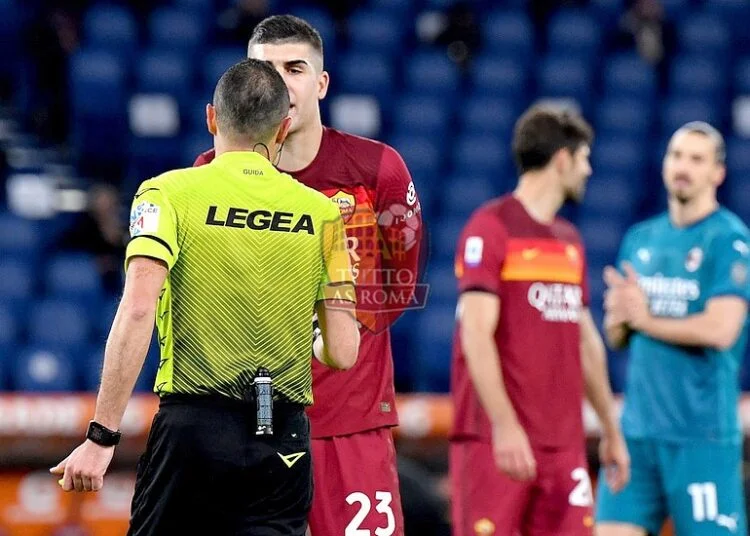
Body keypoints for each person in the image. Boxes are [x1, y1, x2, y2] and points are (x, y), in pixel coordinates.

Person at [49, 58, 360, 536]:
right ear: (283, 127)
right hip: (283, 436)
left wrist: (102, 435)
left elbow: (137, 309)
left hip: (195, 429)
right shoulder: (324, 214)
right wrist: (303, 336)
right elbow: (341, 350)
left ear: (212, 117)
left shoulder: (166, 194)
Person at [194, 15, 423, 536]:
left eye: (294, 68)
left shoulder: (378, 169)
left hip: (349, 425)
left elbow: (401, 283)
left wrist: (334, 334)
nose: (280, 82)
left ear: (321, 83)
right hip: (246, 428)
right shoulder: (210, 172)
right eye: (264, 69)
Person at [450, 105, 630, 536]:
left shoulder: (570, 242)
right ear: (563, 159)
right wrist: (506, 426)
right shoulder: (490, 228)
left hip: (563, 446)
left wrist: (610, 429)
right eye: (584, 158)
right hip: (496, 442)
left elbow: (587, 345)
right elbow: (476, 334)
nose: (588, 170)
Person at [595, 122, 750, 536]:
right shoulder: (640, 238)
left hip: (700, 437)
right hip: (638, 433)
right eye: (676, 155)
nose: (683, 167)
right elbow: (618, 338)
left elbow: (722, 329)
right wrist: (619, 318)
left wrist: (644, 319)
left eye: (696, 159)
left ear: (717, 173)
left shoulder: (729, 240)